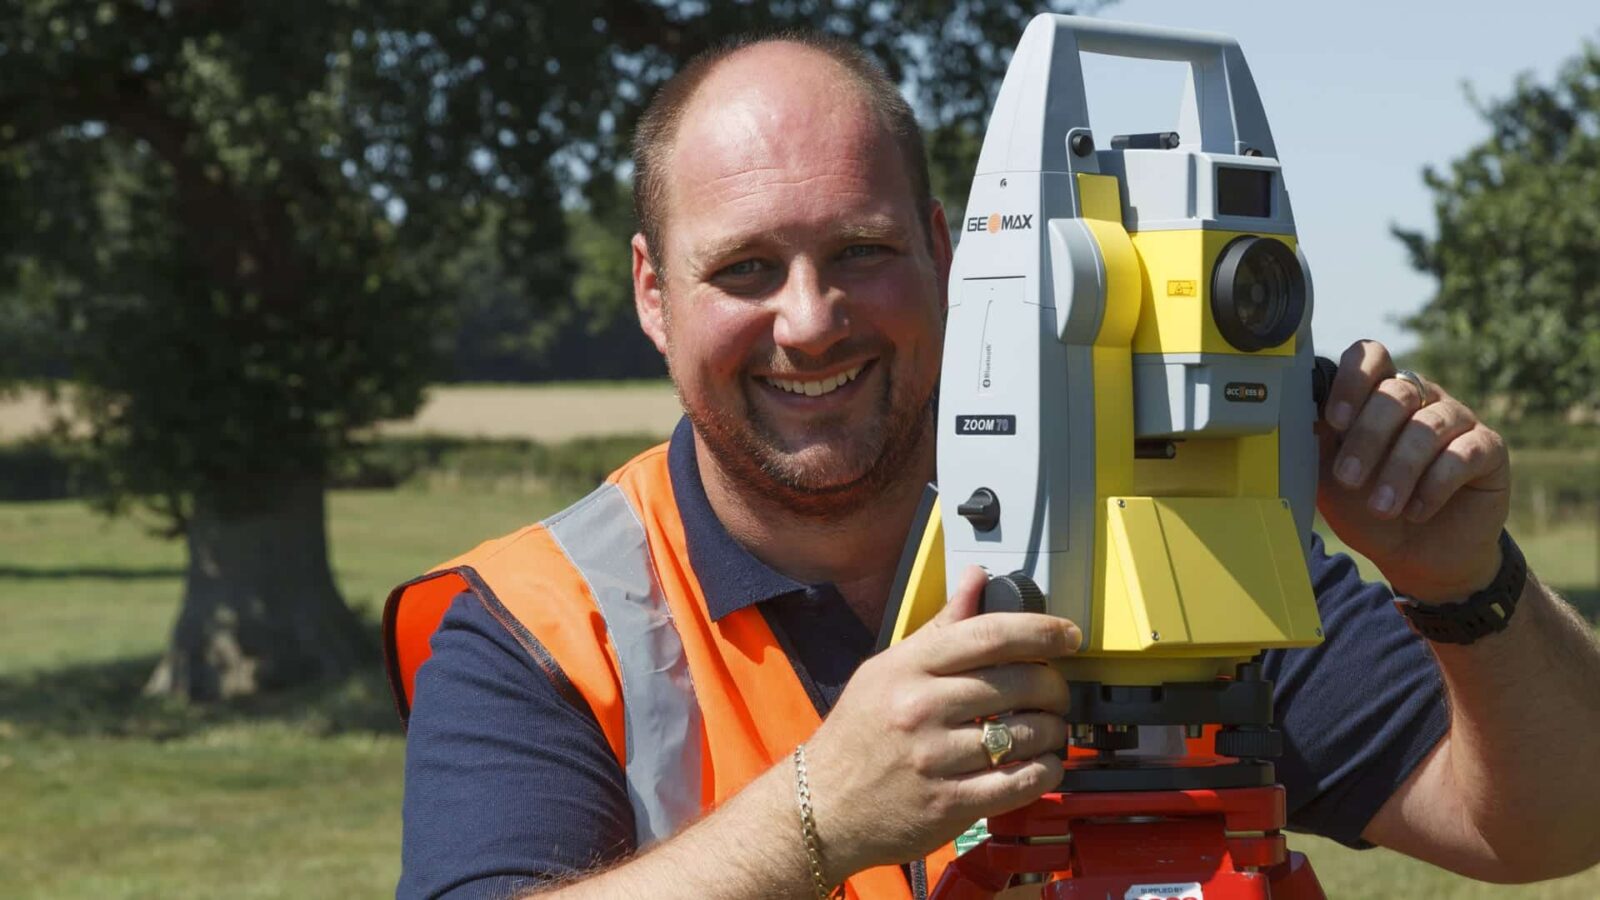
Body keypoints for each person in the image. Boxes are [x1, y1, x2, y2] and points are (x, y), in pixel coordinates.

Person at [391, 32, 1600, 900]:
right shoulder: (543, 623)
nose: (809, 322)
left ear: (948, 250)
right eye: (746, 269)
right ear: (654, 295)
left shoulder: (1155, 534)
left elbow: (1554, 827)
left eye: (859, 252)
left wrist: (1465, 585)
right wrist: (818, 819)